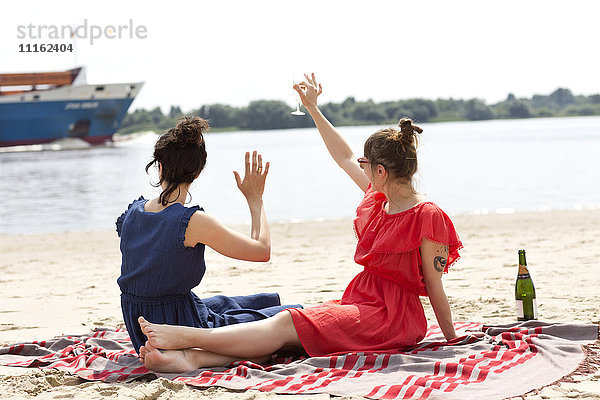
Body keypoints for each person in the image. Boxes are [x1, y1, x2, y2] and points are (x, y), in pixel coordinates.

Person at [135, 74, 464, 373]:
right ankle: (190, 359)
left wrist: (452, 340)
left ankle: (186, 338)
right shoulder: (379, 198)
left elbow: (434, 285)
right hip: (362, 300)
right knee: (290, 340)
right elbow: (345, 156)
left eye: (366, 164)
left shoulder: (427, 215)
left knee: (285, 323)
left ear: (381, 171)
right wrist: (313, 108)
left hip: (392, 317)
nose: (359, 167)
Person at [115, 116, 301, 353]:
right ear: (197, 173)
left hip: (138, 324)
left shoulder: (133, 211)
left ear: (159, 167)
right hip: (177, 325)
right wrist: (256, 200)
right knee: (295, 316)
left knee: (245, 302)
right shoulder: (192, 221)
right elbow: (261, 251)